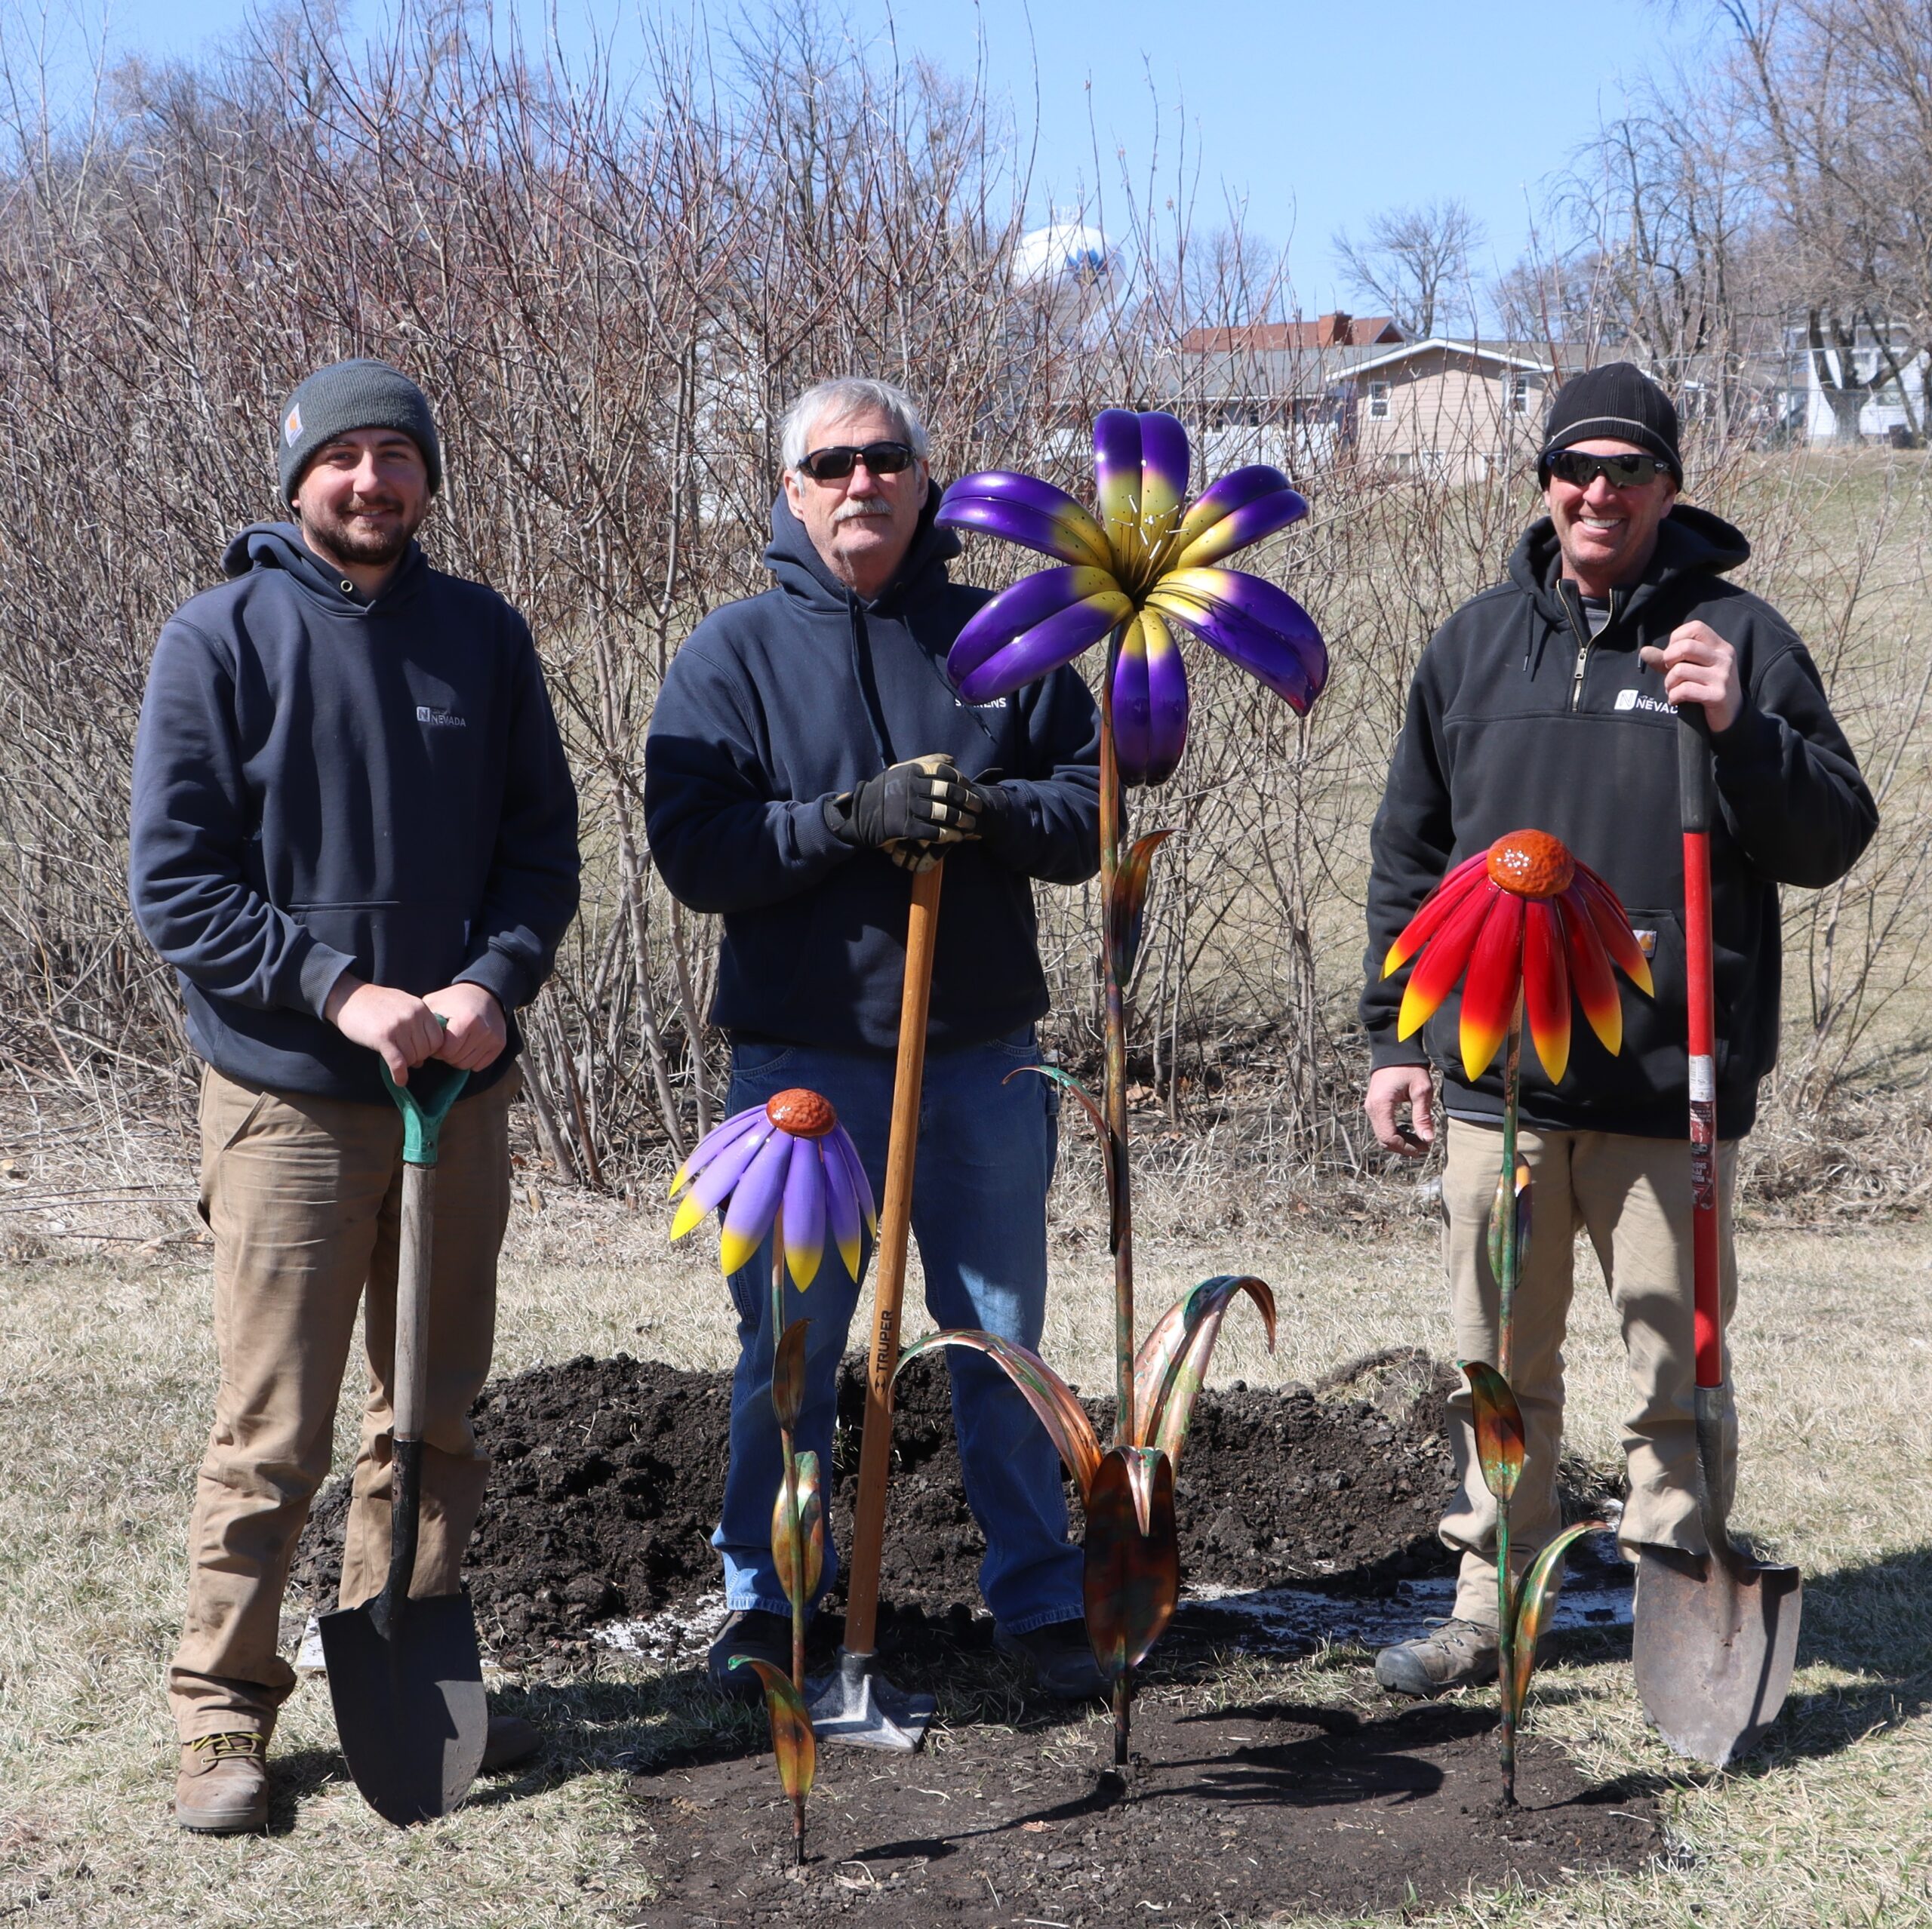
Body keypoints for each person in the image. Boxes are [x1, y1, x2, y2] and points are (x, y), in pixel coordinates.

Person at [1359, 361, 1876, 1697]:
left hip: (1665, 1082)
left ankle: (1672, 1602)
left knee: (1670, 1359)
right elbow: (1412, 858)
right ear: (1543, 481)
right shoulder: (1472, 646)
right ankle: (1492, 1602)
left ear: (1668, 485)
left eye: (1629, 471)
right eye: (1576, 468)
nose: (1600, 492)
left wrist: (1739, 727)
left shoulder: (1737, 634)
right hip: (1496, 1079)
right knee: (1499, 1361)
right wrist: (1392, 1039)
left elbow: (1831, 837)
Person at [129, 358, 580, 1829]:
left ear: (427, 480)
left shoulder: (485, 639)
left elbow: (539, 859)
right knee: (277, 1427)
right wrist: (341, 989)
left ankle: (422, 1683)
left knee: (436, 1413)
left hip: (454, 1095)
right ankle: (221, 1719)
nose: (372, 480)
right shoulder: (219, 640)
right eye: (344, 458)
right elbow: (176, 884)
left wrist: (482, 989)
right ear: (297, 478)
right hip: (289, 1102)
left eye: (397, 456)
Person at [645, 376, 1104, 1698]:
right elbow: (696, 849)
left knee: (1001, 1337)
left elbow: (1086, 814)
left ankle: (1033, 1594)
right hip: (801, 1070)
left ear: (923, 481)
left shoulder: (1000, 639)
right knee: (789, 1347)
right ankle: (770, 1601)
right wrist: (844, 822)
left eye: (886, 459)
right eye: (833, 463)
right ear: (791, 490)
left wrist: (992, 819)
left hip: (980, 1057)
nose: (863, 482)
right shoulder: (730, 656)